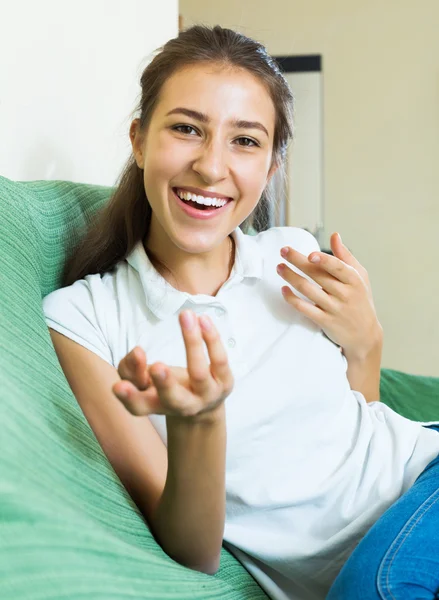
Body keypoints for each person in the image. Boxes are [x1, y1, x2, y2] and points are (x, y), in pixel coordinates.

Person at [42, 25, 439, 600]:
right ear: (139, 139)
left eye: (245, 141)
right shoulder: (85, 318)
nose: (210, 166)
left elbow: (356, 433)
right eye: (185, 129)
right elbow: (195, 550)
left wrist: (364, 341)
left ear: (272, 166)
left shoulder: (289, 257)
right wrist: (199, 426)